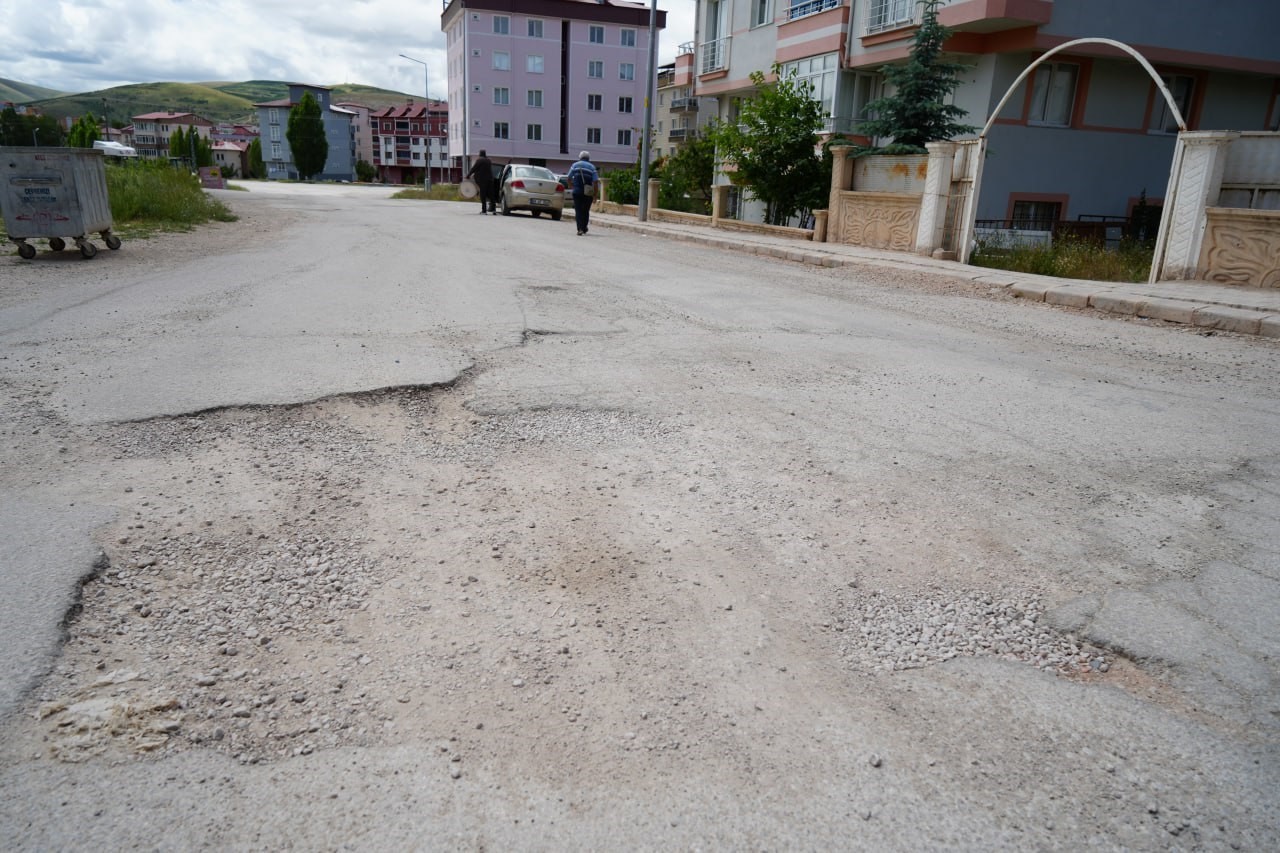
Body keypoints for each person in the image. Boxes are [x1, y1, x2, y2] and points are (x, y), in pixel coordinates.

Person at [567, 151, 599, 236]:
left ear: (580, 158)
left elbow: (569, 178)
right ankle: (584, 227)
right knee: (585, 211)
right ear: (588, 158)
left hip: (577, 191)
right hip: (587, 192)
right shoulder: (592, 167)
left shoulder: (575, 165)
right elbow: (595, 182)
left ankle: (580, 229)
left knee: (578, 210)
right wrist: (595, 195)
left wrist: (571, 187)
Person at [467, 150, 497, 214]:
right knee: (491, 195)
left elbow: (473, 168)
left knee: (483, 195)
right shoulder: (488, 160)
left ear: (480, 154)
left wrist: (468, 175)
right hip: (490, 180)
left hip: (483, 181)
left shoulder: (480, 160)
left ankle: (484, 211)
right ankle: (494, 210)